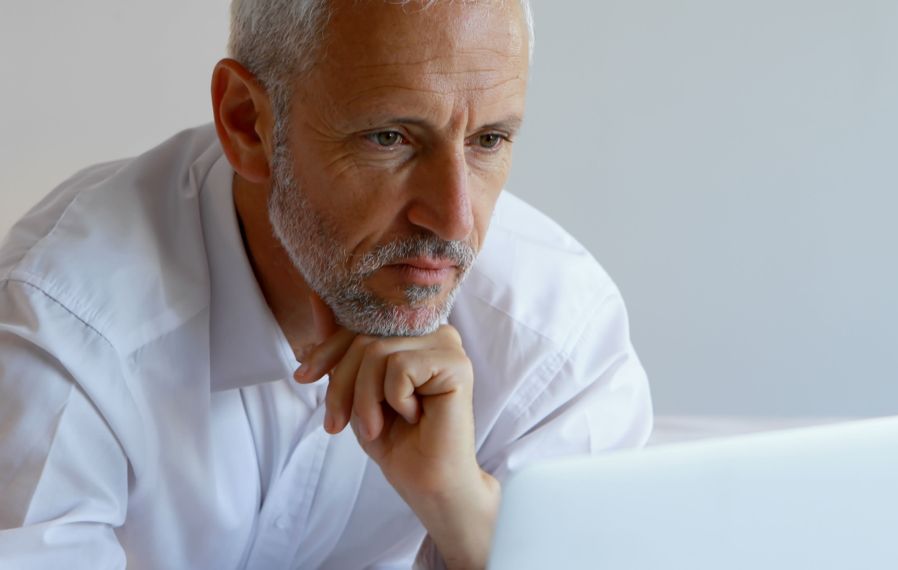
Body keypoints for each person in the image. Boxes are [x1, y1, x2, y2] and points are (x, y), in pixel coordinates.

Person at [0, 1, 652, 568]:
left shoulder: (554, 332)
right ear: (248, 124)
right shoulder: (68, 327)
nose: (455, 220)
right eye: (390, 137)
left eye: (488, 140)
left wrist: (465, 512)